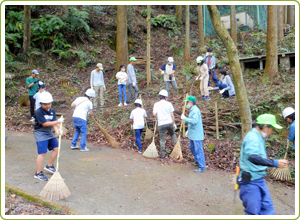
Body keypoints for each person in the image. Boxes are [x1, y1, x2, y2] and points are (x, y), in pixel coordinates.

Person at [239, 114, 288, 215]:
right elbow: (252, 157)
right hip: (250, 182)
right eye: (272, 129)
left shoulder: (258, 137)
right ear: (265, 127)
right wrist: (274, 163)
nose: (271, 132)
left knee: (267, 208)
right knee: (253, 211)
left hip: (258, 178)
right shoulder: (252, 138)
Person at [34, 92, 64, 181]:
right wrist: (58, 121)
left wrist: (58, 130)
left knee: (56, 148)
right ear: (41, 104)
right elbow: (45, 123)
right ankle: (38, 173)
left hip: (49, 132)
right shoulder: (38, 112)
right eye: (45, 104)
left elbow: (53, 122)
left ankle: (49, 166)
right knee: (42, 153)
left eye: (49, 104)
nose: (48, 106)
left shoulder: (52, 111)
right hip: (40, 132)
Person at [181, 96, 205, 173]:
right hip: (193, 134)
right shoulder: (192, 110)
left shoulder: (195, 110)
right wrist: (188, 130)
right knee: (191, 147)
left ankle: (201, 167)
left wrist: (185, 118)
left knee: (198, 150)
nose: (186, 104)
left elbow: (194, 121)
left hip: (197, 134)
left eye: (187, 102)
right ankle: (198, 160)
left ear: (191, 102)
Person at [153, 89, 178, 159]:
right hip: (169, 122)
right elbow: (172, 115)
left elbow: (154, 114)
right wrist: (173, 123)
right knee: (173, 135)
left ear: (160, 96)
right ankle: (178, 150)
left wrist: (157, 118)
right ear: (166, 97)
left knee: (162, 139)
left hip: (161, 123)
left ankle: (163, 155)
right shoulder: (169, 104)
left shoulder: (156, 104)